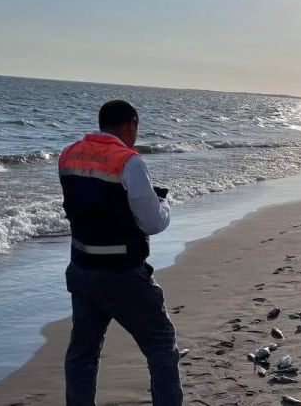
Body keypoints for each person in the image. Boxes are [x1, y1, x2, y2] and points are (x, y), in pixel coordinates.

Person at [59, 100, 183, 406]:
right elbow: (151, 223)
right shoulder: (128, 161)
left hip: (81, 266)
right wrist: (164, 205)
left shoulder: (69, 154)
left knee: (82, 354)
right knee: (161, 345)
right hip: (122, 272)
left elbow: (91, 203)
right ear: (131, 124)